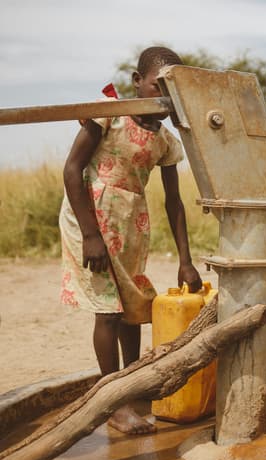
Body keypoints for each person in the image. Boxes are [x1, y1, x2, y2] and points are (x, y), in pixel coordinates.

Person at [59, 46, 202, 434]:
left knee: (134, 307)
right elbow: (72, 170)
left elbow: (174, 202)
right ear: (137, 82)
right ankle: (112, 403)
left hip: (131, 224)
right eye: (157, 85)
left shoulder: (167, 141)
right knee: (107, 309)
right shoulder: (109, 115)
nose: (163, 97)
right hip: (90, 216)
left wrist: (185, 259)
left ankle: (132, 385)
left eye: (172, 90)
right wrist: (90, 234)